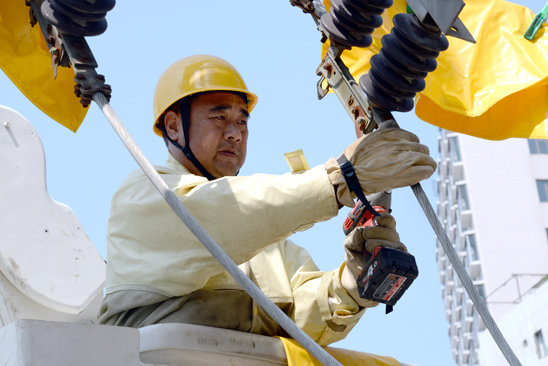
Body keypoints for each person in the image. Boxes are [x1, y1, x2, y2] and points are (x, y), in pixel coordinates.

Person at [98, 55, 436, 346]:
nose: (235, 132)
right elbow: (220, 214)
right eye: (219, 118)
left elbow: (299, 319)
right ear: (174, 126)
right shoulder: (145, 193)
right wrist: (338, 180)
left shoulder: (267, 242)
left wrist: (351, 285)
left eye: (242, 121)